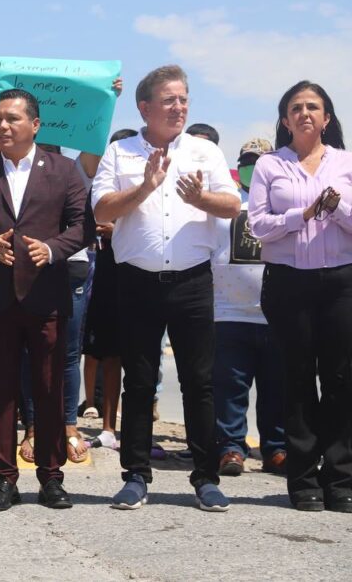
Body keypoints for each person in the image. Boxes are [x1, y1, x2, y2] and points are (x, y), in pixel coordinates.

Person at [92, 65, 240, 512]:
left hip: (193, 281)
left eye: (184, 98)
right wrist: (145, 186)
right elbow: (101, 206)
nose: (180, 107)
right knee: (139, 381)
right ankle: (136, 475)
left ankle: (205, 477)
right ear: (145, 107)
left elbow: (231, 205)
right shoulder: (120, 153)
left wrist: (200, 200)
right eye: (170, 100)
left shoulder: (204, 151)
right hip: (136, 281)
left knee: (199, 381)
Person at [0, 89, 88, 511]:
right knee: (1, 391)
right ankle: (3, 479)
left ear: (35, 125)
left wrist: (53, 249)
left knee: (49, 389)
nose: (4, 126)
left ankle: (51, 477)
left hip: (46, 296)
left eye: (13, 119)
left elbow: (83, 225)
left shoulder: (63, 170)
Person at [249, 80, 352, 512]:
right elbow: (256, 226)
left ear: (327, 118)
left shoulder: (346, 163)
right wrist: (302, 214)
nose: (305, 113)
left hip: (341, 283)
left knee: (342, 380)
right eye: (296, 108)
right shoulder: (270, 166)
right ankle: (303, 479)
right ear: (285, 119)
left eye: (314, 107)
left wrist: (338, 208)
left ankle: (342, 477)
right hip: (289, 282)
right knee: (297, 380)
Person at [211, 138, 285, 478]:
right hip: (228, 313)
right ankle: (230, 448)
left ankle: (276, 449)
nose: (253, 168)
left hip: (276, 315)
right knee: (229, 389)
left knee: (276, 389)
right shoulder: (224, 206)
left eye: (260, 161)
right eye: (247, 161)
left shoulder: (283, 205)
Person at [80, 128, 138, 451]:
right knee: (107, 351)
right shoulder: (102, 182)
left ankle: (128, 429)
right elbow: (92, 217)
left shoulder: (151, 182)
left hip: (142, 271)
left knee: (139, 358)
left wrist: (120, 227)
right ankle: (107, 426)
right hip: (106, 269)